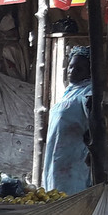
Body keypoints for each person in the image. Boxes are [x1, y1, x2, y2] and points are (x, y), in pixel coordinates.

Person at [42, 46, 93, 195]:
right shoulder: (70, 92)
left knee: (70, 200)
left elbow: (95, 122)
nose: (72, 71)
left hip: (74, 161)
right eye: (71, 67)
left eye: (79, 68)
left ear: (90, 71)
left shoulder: (89, 92)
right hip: (58, 157)